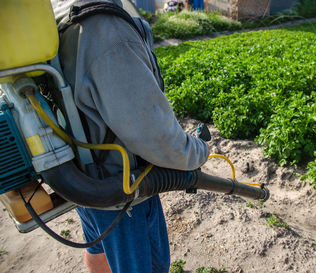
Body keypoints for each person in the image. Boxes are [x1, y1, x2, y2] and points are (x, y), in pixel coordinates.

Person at [50, 0, 209, 272]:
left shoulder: (63, 10)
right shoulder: (106, 30)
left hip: (83, 180)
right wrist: (199, 150)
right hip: (122, 193)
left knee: (98, 248)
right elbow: (159, 140)